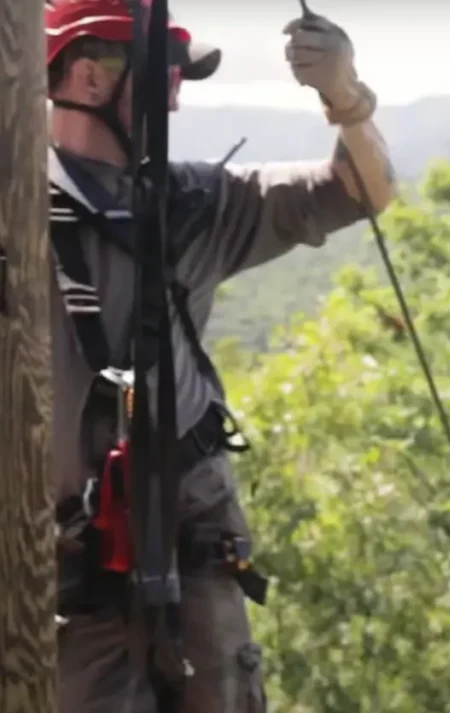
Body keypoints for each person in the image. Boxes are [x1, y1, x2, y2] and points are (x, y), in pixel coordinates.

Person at [45, 0, 397, 711]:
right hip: (66, 562)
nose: (178, 92)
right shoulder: (18, 212)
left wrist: (347, 99)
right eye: (163, 72)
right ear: (87, 78)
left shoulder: (196, 202)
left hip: (194, 530)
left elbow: (362, 189)